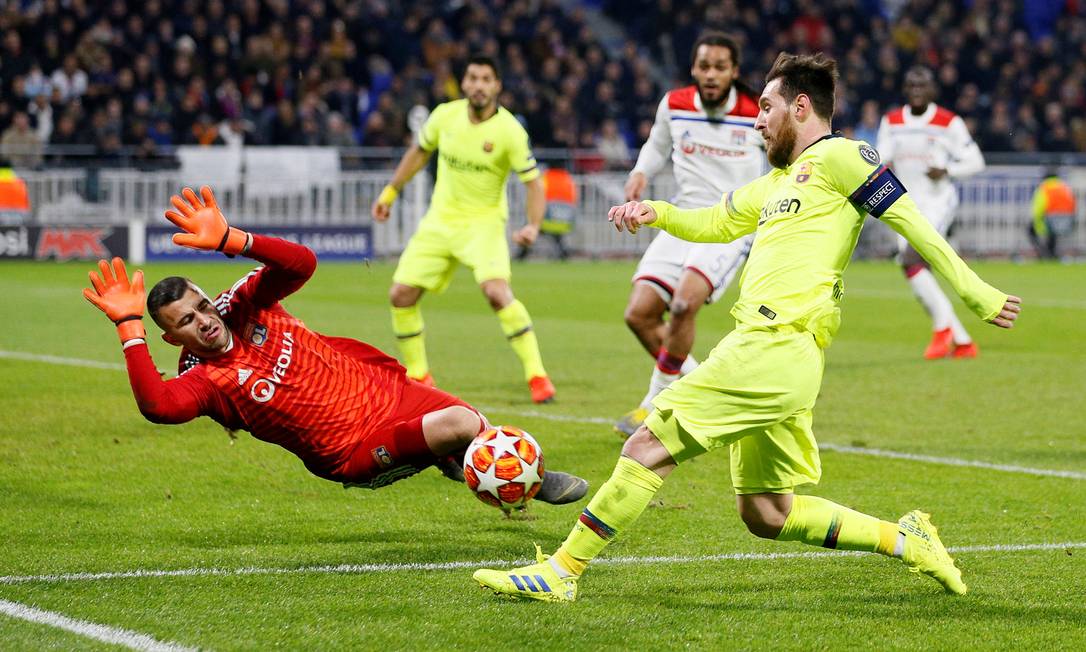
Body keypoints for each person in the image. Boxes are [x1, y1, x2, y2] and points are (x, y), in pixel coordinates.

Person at [473, 53, 1021, 602]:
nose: (756, 120)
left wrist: (977, 294)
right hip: (778, 352)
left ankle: (562, 572)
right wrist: (655, 212)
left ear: (801, 107)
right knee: (766, 512)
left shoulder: (844, 157)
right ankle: (906, 540)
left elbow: (912, 222)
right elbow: (714, 221)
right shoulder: (776, 184)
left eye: (766, 107)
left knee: (646, 444)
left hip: (776, 344)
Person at [82, 186, 588, 503]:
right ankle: (520, 485)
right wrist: (129, 330)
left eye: (201, 306)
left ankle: (461, 462)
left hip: (385, 389)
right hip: (351, 448)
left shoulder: (244, 303)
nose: (203, 322)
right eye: (186, 322)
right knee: (462, 425)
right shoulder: (203, 379)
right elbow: (158, 407)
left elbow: (301, 263)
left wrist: (232, 239)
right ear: (171, 337)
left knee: (475, 423)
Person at [371, 55, 555, 403]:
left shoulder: (510, 131)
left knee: (497, 293)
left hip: (483, 223)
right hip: (440, 220)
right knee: (400, 295)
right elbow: (419, 152)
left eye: (487, 78)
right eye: (473, 78)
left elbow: (534, 183)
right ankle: (420, 376)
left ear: (497, 85)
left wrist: (533, 225)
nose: (479, 85)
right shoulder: (445, 115)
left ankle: (537, 376)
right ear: (464, 83)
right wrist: (390, 191)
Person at [614, 32, 764, 437]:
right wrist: (640, 172)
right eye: (705, 66)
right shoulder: (675, 104)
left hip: (732, 225)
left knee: (683, 305)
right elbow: (655, 146)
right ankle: (707, 391)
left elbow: (784, 161)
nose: (711, 75)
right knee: (639, 314)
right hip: (682, 220)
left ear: (734, 71)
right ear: (693, 69)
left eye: (720, 67)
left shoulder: (757, 111)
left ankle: (654, 404)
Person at [876, 66, 986, 360]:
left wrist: (947, 170)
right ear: (904, 88)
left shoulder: (948, 122)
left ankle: (941, 329)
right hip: (906, 204)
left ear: (932, 89)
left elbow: (976, 162)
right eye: (911, 84)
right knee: (912, 265)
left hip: (938, 202)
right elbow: (881, 157)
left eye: (922, 84)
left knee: (911, 257)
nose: (916, 89)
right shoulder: (892, 121)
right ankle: (962, 341)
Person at [516, 165, 576, 261]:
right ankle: (562, 251)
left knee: (530, 225)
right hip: (564, 222)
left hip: (546, 221)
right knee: (556, 235)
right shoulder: (568, 180)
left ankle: (522, 252)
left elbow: (537, 197)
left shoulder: (544, 178)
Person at [1028, 167, 1076, 260]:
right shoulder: (1064, 186)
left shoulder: (1044, 187)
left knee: (1031, 231)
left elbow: (1039, 206)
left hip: (1049, 217)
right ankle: (1051, 254)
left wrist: (1035, 219)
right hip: (1066, 218)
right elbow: (1072, 202)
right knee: (1053, 235)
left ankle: (1044, 253)